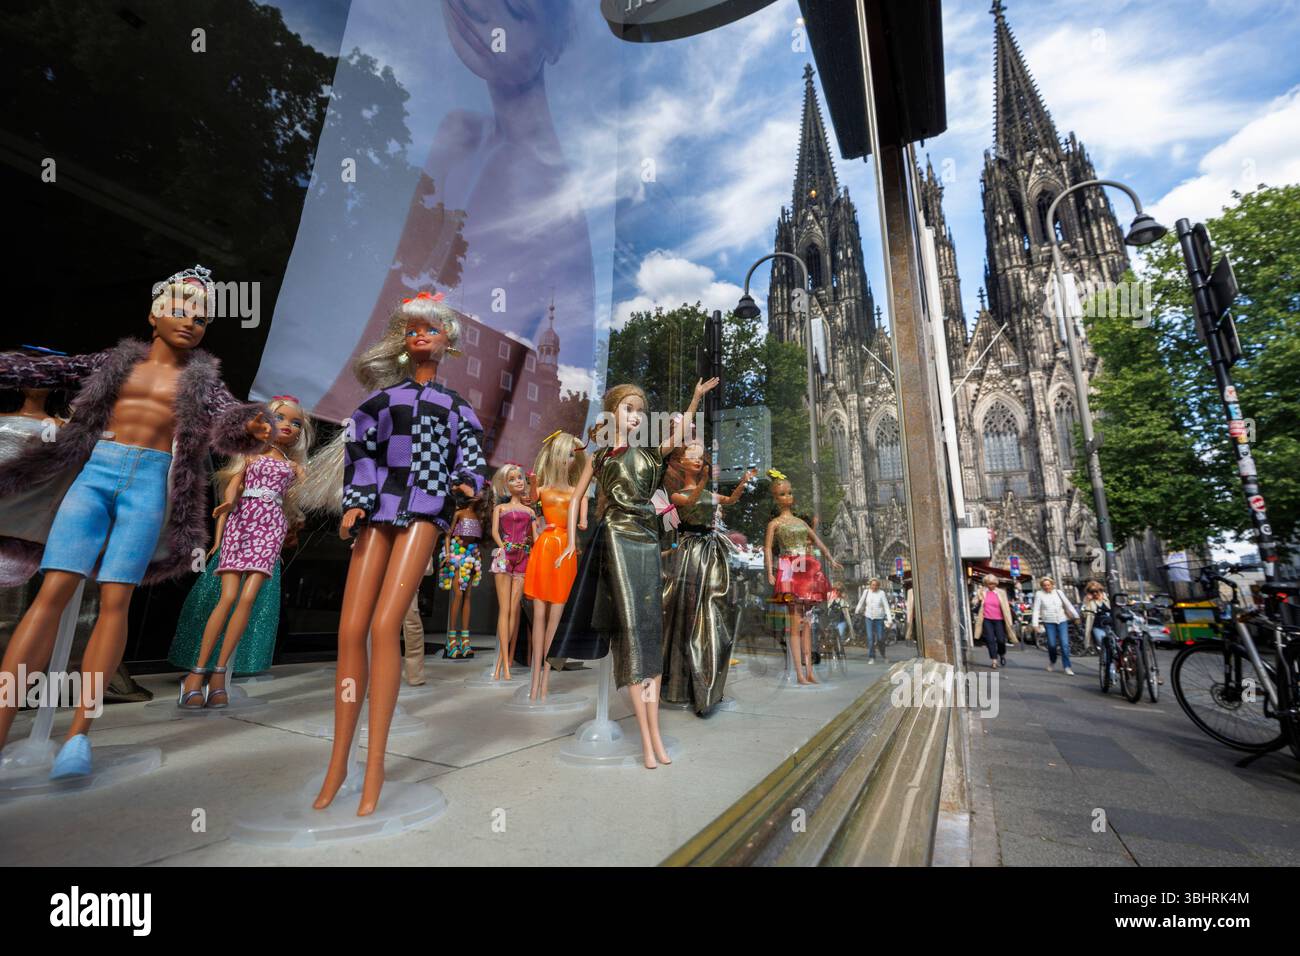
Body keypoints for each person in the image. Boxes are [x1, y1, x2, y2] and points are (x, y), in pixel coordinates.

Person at [0, 267, 269, 777]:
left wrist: (255, 421)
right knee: (51, 594)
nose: (190, 321)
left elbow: (232, 419)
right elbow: (46, 372)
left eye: (202, 316)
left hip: (149, 482)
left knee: (116, 599)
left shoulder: (201, 381)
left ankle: (80, 735)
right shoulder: (115, 362)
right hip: (95, 472)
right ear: (154, 314)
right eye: (179, 308)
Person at [1032, 575, 1080, 675]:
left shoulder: (1059, 592)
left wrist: (1076, 616)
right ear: (1042, 586)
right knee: (1052, 644)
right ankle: (1053, 661)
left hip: (1062, 620)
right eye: (1044, 585)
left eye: (1048, 585)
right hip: (1049, 621)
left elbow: (1068, 604)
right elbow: (1036, 609)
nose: (1047, 587)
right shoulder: (1039, 594)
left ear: (1052, 585)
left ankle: (1067, 666)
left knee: (1065, 644)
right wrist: (1035, 624)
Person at [973, 574, 1015, 669]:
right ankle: (994, 660)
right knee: (990, 640)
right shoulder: (982, 592)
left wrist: (1009, 621)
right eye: (989, 584)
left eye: (993, 584)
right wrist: (978, 599)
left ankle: (1002, 653)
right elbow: (974, 602)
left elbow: (1006, 607)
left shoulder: (1001, 592)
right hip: (987, 619)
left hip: (999, 619)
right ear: (986, 584)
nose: (992, 585)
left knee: (1000, 640)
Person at [855, 578, 894, 663]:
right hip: (868, 617)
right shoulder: (866, 592)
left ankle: (883, 654)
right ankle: (872, 657)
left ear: (878, 586)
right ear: (870, 585)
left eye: (876, 585)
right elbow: (861, 602)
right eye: (873, 585)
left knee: (880, 638)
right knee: (870, 638)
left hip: (879, 618)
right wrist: (857, 610)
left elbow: (886, 607)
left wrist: (889, 620)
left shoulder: (881, 593)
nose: (874, 587)